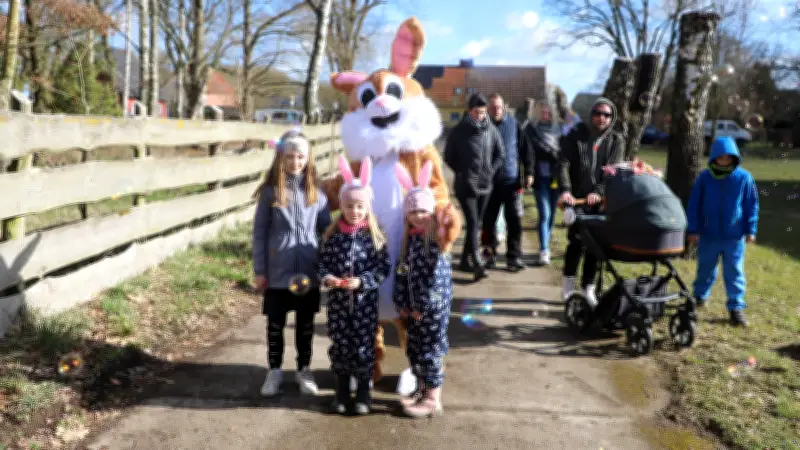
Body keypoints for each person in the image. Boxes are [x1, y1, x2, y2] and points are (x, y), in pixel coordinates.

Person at [252, 129, 332, 398]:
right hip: (277, 272)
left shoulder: (317, 193)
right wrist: (260, 270)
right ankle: (274, 370)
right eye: (289, 156)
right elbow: (259, 232)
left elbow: (326, 232)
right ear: (280, 158)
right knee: (275, 324)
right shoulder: (271, 192)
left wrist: (327, 268)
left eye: (300, 157)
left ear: (308, 159)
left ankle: (304, 369)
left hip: (308, 271)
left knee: (305, 325)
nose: (295, 162)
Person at [318, 156, 391, 415]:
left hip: (364, 306)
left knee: (363, 347)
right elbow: (322, 265)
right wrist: (328, 279)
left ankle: (363, 394)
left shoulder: (375, 238)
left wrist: (363, 281)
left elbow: (383, 269)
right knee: (340, 346)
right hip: (338, 306)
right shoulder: (332, 236)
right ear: (342, 206)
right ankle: (340, 393)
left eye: (360, 206)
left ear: (367, 207)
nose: (355, 211)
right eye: (349, 206)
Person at [393, 161, 454, 418]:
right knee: (415, 350)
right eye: (413, 210)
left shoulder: (433, 243)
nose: (418, 215)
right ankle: (421, 390)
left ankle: (433, 399)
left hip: (430, 311)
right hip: (414, 310)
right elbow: (403, 274)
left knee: (430, 353)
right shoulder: (411, 240)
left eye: (423, 211)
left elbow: (435, 282)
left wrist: (422, 308)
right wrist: (402, 302)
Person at [557, 97, 625, 305]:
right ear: (591, 115)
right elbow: (563, 164)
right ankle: (568, 287)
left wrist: (599, 191)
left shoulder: (616, 141)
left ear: (611, 118)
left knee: (597, 246)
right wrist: (566, 190)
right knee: (576, 243)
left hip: (600, 201)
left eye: (606, 115)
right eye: (597, 113)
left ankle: (588, 288)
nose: (601, 118)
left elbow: (613, 170)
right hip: (577, 199)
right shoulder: (576, 136)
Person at [687, 136, 759, 327]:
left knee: (734, 272)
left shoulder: (744, 178)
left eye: (729, 157)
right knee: (705, 268)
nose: (725, 161)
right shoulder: (705, 177)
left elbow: (751, 205)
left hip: (734, 237)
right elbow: (694, 204)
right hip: (709, 235)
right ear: (714, 157)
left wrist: (750, 229)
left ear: (735, 158)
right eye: (721, 157)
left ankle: (736, 307)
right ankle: (700, 296)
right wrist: (693, 229)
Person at [444, 93, 505, 281]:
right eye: (477, 112)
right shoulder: (459, 131)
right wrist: (461, 172)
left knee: (476, 223)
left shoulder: (491, 130)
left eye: (483, 112)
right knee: (472, 222)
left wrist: (490, 171)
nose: (481, 115)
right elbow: (448, 156)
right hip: (466, 186)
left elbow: (500, 154)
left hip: (486, 185)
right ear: (470, 111)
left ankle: (464, 260)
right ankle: (477, 262)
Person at [480, 93, 533, 271]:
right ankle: (488, 257)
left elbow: (526, 150)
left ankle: (514, 258)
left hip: (511, 183)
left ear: (504, 107)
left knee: (515, 223)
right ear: (487, 108)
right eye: (492, 108)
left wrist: (529, 173)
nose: (496, 111)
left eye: (499, 107)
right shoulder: (481, 125)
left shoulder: (513, 124)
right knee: (488, 224)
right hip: (489, 184)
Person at [523, 105, 561, 265]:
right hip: (541, 179)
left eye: (548, 111)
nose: (545, 113)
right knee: (544, 214)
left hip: (557, 179)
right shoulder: (532, 130)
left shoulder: (559, 131)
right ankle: (544, 249)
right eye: (543, 111)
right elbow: (532, 151)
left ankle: (546, 242)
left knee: (552, 215)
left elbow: (565, 153)